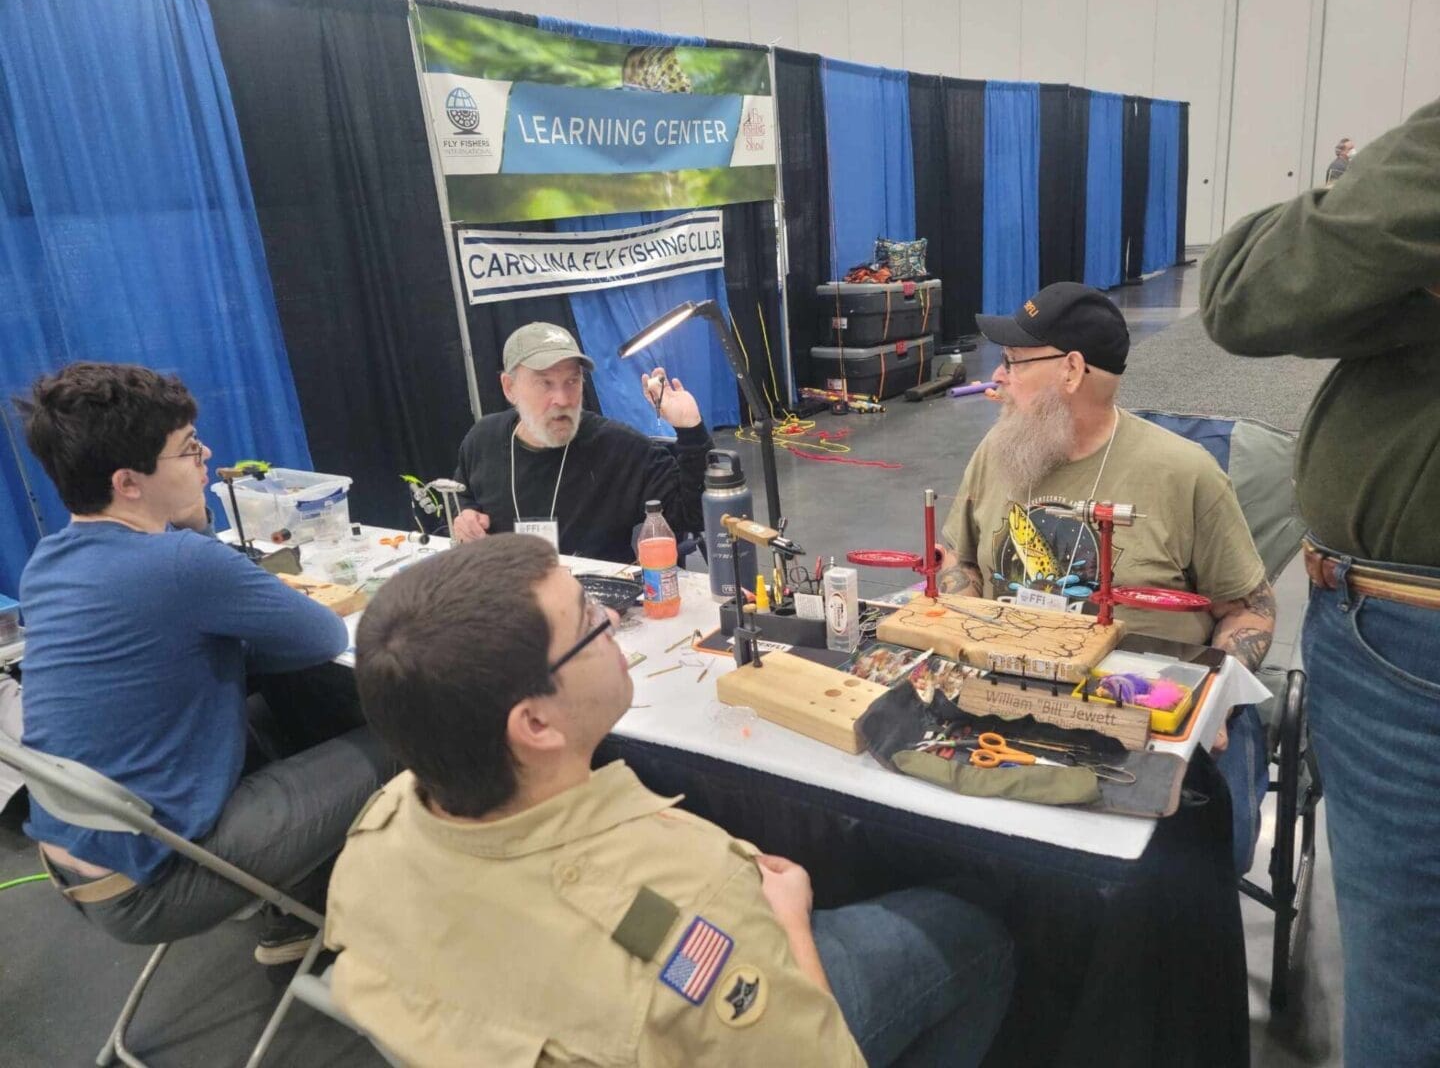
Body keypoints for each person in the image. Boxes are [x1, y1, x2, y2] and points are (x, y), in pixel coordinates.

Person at [330, 534, 1014, 1067]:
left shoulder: (374, 836)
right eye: (591, 623)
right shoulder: (691, 895)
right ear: (534, 724)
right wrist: (792, 922)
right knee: (973, 933)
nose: (613, 623)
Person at [1200, 96, 1440, 1067]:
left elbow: (1243, 290)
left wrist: (1368, 209)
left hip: (1408, 641)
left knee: (1408, 995)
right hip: (1395, 632)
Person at [16, 362, 393, 963]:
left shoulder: (49, 561)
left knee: (274, 709)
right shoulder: (182, 564)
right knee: (400, 737)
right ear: (128, 482)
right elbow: (321, 635)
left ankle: (294, 915)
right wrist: (195, 537)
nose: (205, 455)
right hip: (158, 879)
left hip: (78, 857)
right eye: (188, 449)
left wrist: (190, 526)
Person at [939, 282, 1277, 876]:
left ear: (1071, 370)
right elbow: (958, 563)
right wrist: (964, 622)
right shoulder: (998, 452)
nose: (998, 378)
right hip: (1003, 708)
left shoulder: (1183, 474)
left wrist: (1214, 702)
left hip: (1133, 724)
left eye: (1016, 363)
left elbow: (1249, 609)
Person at [452, 322, 712, 562]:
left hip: (593, 601)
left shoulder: (618, 448)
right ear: (509, 388)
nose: (563, 399)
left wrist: (690, 428)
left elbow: (696, 514)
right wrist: (465, 516)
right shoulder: (482, 441)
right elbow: (464, 496)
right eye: (545, 383)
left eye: (572, 381)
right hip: (507, 594)